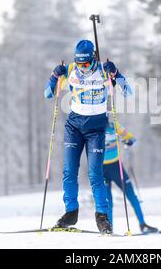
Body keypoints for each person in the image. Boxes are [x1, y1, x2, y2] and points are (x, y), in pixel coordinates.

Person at [44, 39, 131, 234]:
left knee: (95, 175)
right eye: (79, 63)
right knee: (69, 172)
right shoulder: (71, 69)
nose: (82, 68)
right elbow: (48, 95)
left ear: (93, 59)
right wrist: (53, 76)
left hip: (96, 129)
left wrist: (117, 74)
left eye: (86, 63)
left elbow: (128, 92)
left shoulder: (104, 70)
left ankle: (102, 218)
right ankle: (71, 213)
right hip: (74, 127)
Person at [103, 119, 158, 234]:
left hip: (116, 167)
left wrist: (129, 141)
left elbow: (131, 138)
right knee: (107, 202)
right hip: (101, 169)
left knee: (132, 196)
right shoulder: (92, 127)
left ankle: (143, 224)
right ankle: (109, 228)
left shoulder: (114, 125)